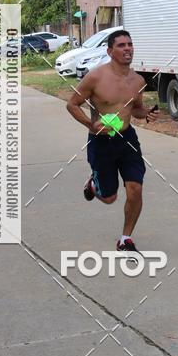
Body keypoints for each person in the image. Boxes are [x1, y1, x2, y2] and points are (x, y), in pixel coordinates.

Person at [66, 30, 158, 251]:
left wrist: (146, 113)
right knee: (109, 198)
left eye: (130, 44)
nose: (127, 48)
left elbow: (135, 110)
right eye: (121, 45)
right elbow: (72, 104)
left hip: (127, 140)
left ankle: (125, 238)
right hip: (101, 142)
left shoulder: (138, 80)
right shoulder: (95, 77)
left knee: (135, 188)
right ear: (109, 51)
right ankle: (93, 184)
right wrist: (91, 125)